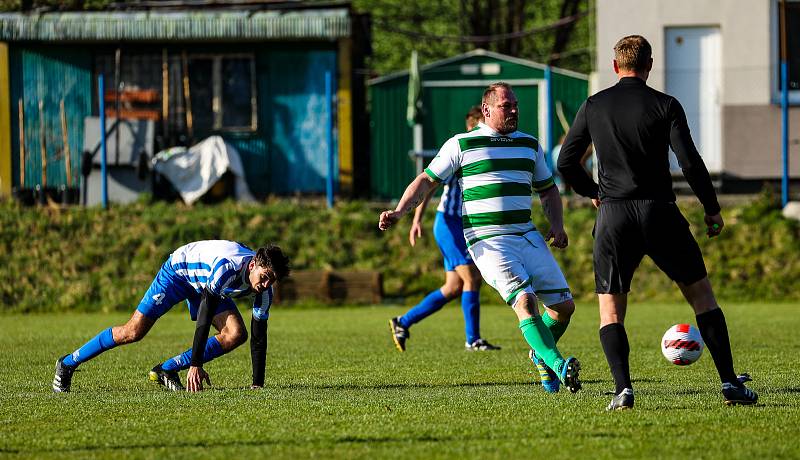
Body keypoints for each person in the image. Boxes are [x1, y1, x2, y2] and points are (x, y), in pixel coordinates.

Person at [557, 35, 758, 410]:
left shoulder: (594, 105)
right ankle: (730, 384)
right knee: (702, 298)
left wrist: (593, 191)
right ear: (649, 65)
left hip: (614, 215)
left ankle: (623, 390)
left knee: (611, 310)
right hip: (659, 212)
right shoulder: (665, 105)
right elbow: (690, 162)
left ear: (616, 67)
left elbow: (567, 162)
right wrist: (711, 208)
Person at [380, 82, 581, 393]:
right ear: (487, 110)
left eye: (515, 104)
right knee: (525, 301)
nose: (514, 110)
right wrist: (399, 212)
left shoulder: (530, 145)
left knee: (564, 307)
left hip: (527, 234)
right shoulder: (461, 144)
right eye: (506, 106)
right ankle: (558, 365)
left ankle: (541, 355)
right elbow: (426, 181)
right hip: (487, 239)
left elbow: (548, 189)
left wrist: (557, 225)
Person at [52, 240, 290, 393]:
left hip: (204, 284)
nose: (266, 283)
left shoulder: (265, 290)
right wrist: (196, 365)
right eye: (265, 276)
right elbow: (205, 318)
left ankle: (165, 369)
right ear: (253, 266)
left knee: (236, 334)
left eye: (272, 280)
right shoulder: (227, 268)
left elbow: (259, 335)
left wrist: (258, 384)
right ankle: (67, 363)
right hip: (179, 272)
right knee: (133, 332)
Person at [389, 106, 501, 352]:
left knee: (453, 288)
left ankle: (403, 322)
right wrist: (416, 219)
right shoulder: (462, 153)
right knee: (472, 277)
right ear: (472, 127)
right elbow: (429, 185)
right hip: (448, 224)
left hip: (461, 227)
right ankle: (473, 340)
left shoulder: (488, 154)